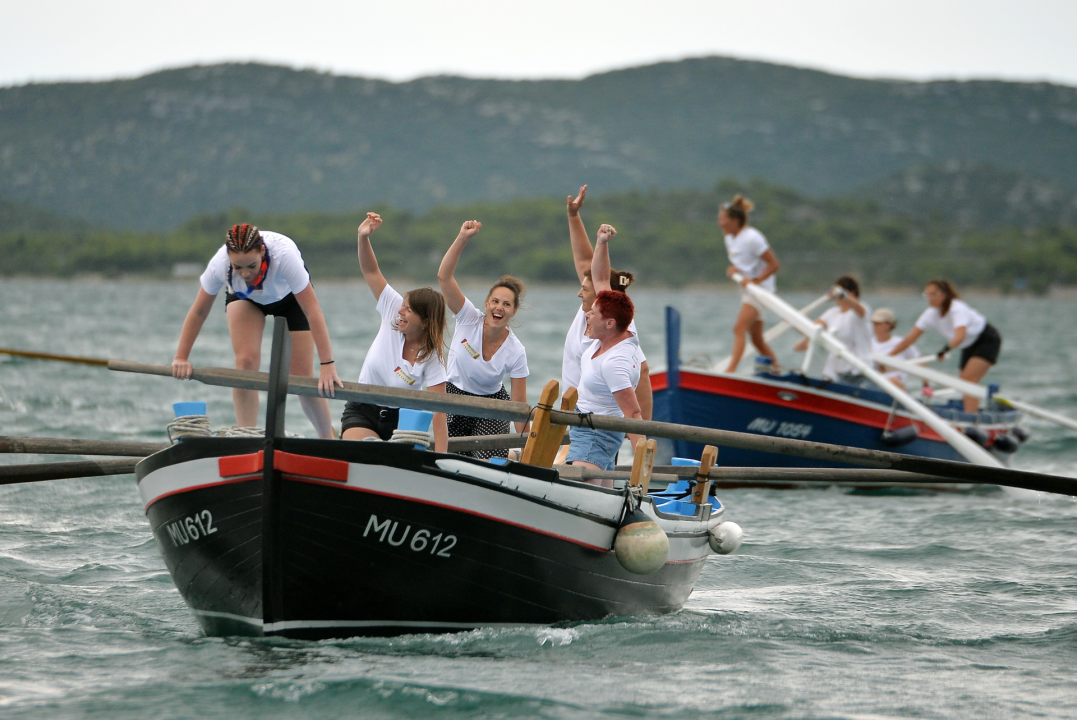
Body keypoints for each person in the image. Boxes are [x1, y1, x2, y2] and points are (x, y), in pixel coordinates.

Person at [172, 223, 342, 438]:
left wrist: (327, 365)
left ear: (262, 251)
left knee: (301, 374)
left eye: (251, 266)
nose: (245, 273)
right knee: (245, 363)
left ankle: (328, 437)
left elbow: (312, 311)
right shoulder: (220, 263)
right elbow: (199, 311)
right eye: (238, 267)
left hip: (291, 300)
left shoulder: (284, 256)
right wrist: (181, 357)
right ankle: (247, 434)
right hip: (247, 300)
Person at [341, 212, 449, 451]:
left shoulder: (432, 359)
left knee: (386, 459)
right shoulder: (392, 310)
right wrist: (363, 238)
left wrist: (442, 459)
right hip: (362, 409)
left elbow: (439, 414)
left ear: (426, 322)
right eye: (402, 306)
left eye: (408, 310)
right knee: (366, 450)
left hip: (402, 423)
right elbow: (371, 271)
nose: (400, 311)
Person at [436, 219, 529, 459]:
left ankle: (513, 455)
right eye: (495, 302)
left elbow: (519, 405)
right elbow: (444, 277)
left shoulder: (516, 351)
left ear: (513, 312)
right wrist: (462, 238)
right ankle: (509, 455)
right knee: (451, 458)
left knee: (486, 463)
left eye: (507, 304)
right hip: (454, 395)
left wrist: (530, 448)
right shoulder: (468, 318)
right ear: (487, 304)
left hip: (492, 406)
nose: (500, 308)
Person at [564, 223, 646, 485]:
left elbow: (634, 415)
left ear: (609, 323)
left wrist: (642, 467)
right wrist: (601, 243)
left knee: (580, 489)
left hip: (594, 432)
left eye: (593, 314)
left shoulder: (614, 363)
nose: (587, 314)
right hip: (595, 429)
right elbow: (600, 278)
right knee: (603, 493)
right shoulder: (624, 326)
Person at [564, 185, 652, 419]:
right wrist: (573, 216)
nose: (579, 293)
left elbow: (642, 371)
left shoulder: (620, 328)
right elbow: (586, 261)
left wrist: (641, 432)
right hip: (574, 410)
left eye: (584, 289)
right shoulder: (591, 307)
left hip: (599, 418)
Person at [888, 280, 1002, 413]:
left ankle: (971, 418)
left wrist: (944, 351)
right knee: (964, 381)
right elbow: (910, 339)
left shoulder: (957, 308)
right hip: (968, 344)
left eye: (934, 294)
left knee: (969, 379)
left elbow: (959, 336)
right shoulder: (930, 313)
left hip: (986, 339)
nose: (930, 298)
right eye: (927, 294)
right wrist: (889, 356)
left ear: (945, 295)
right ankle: (970, 412)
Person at [721, 194, 780, 373]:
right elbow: (745, 262)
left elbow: (774, 264)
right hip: (749, 291)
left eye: (722, 219)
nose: (720, 223)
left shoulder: (753, 237)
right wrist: (735, 269)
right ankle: (777, 370)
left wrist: (755, 281)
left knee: (739, 327)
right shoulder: (730, 238)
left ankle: (730, 370)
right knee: (756, 339)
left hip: (761, 291)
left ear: (735, 221)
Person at [794, 276, 873, 384]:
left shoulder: (861, 311)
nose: (836, 299)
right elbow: (811, 329)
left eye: (839, 295)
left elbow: (856, 305)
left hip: (857, 372)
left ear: (851, 293)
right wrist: (794, 321)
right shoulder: (832, 313)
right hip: (836, 373)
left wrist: (840, 293)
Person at [870, 308, 920, 390]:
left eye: (878, 323)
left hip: (895, 384)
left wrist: (926, 384)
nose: (875, 327)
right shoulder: (868, 344)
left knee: (893, 380)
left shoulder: (901, 343)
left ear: (889, 325)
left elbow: (919, 361)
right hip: (874, 383)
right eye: (873, 323)